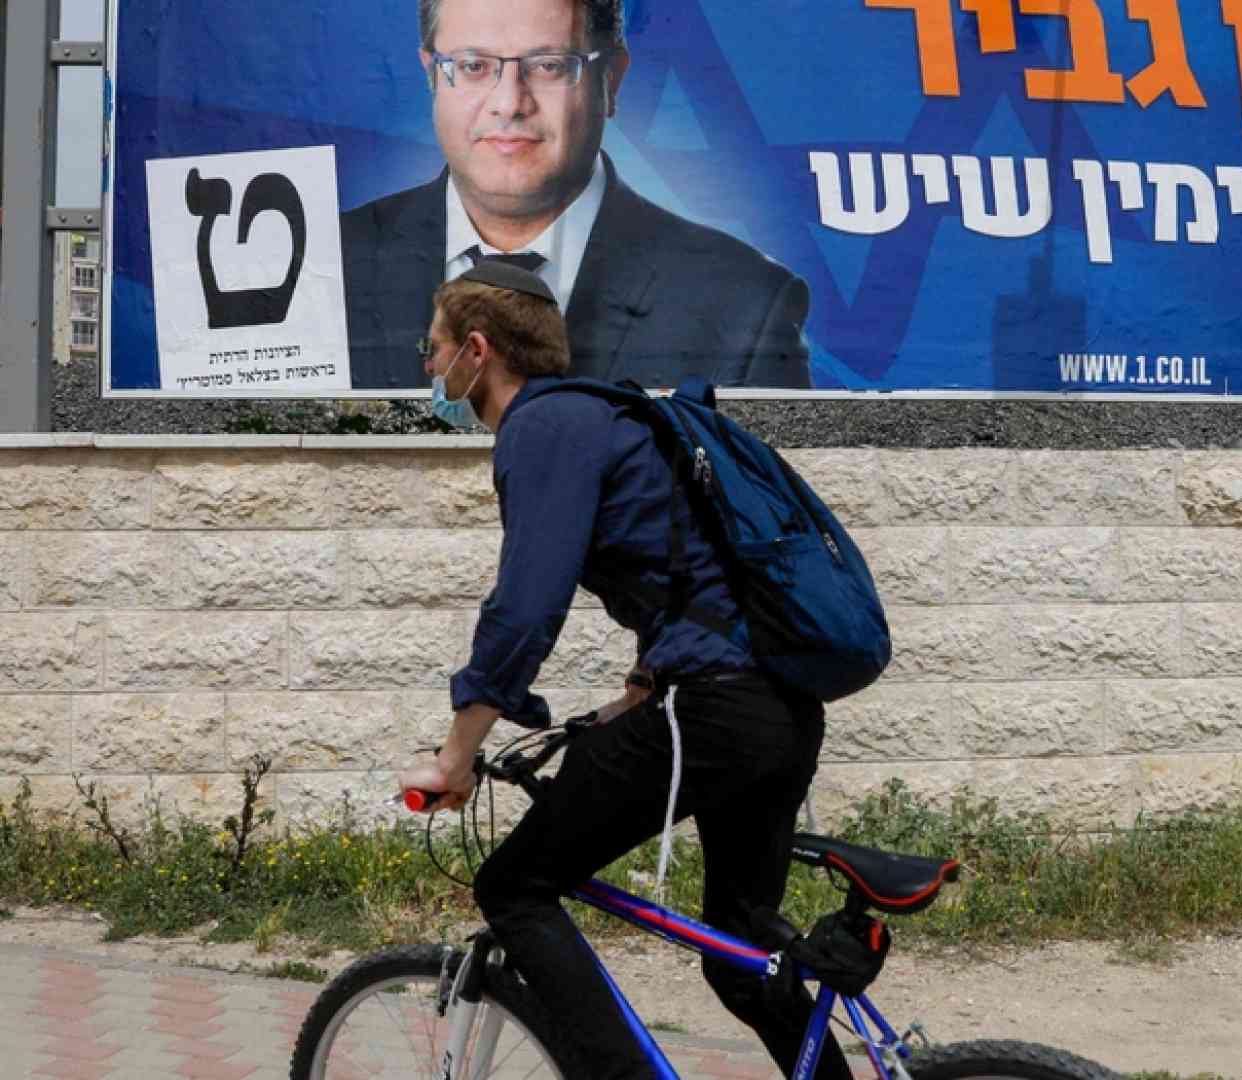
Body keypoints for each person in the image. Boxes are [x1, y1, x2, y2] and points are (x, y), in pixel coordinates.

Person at [395, 257, 847, 1080]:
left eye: (433, 350)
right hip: (776, 707)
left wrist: (456, 753)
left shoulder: (543, 426)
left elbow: (525, 607)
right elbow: (688, 573)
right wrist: (637, 693)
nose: (430, 369)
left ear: (477, 350)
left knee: (514, 887)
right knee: (741, 955)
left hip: (715, 710)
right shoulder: (609, 417)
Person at [343, 0, 813, 392]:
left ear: (611, 80)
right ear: (431, 74)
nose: (509, 103)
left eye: (549, 65)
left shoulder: (745, 305)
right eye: (473, 66)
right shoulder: (328, 266)